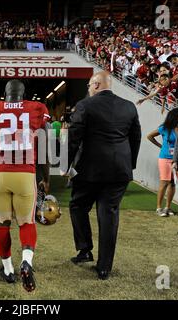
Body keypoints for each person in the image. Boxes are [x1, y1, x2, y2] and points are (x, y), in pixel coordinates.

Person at [0, 79, 51, 292]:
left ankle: (7, 269)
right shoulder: (36, 109)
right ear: (23, 94)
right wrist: (47, 178)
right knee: (26, 223)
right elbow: (44, 149)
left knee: (2, 223)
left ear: (4, 94)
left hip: (0, 175)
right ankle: (26, 261)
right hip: (26, 175)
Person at [63, 71, 141, 280]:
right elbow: (136, 138)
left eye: (90, 85)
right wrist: (128, 165)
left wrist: (65, 165)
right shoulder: (129, 106)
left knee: (78, 206)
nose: (89, 88)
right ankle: (104, 266)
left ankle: (84, 249)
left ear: (96, 85)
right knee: (108, 216)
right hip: (119, 171)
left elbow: (73, 138)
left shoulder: (85, 105)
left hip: (89, 170)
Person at [147, 108, 178, 217]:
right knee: (164, 182)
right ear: (176, 116)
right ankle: (159, 208)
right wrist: (161, 146)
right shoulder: (164, 128)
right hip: (165, 158)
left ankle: (168, 207)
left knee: (173, 183)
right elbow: (149, 136)